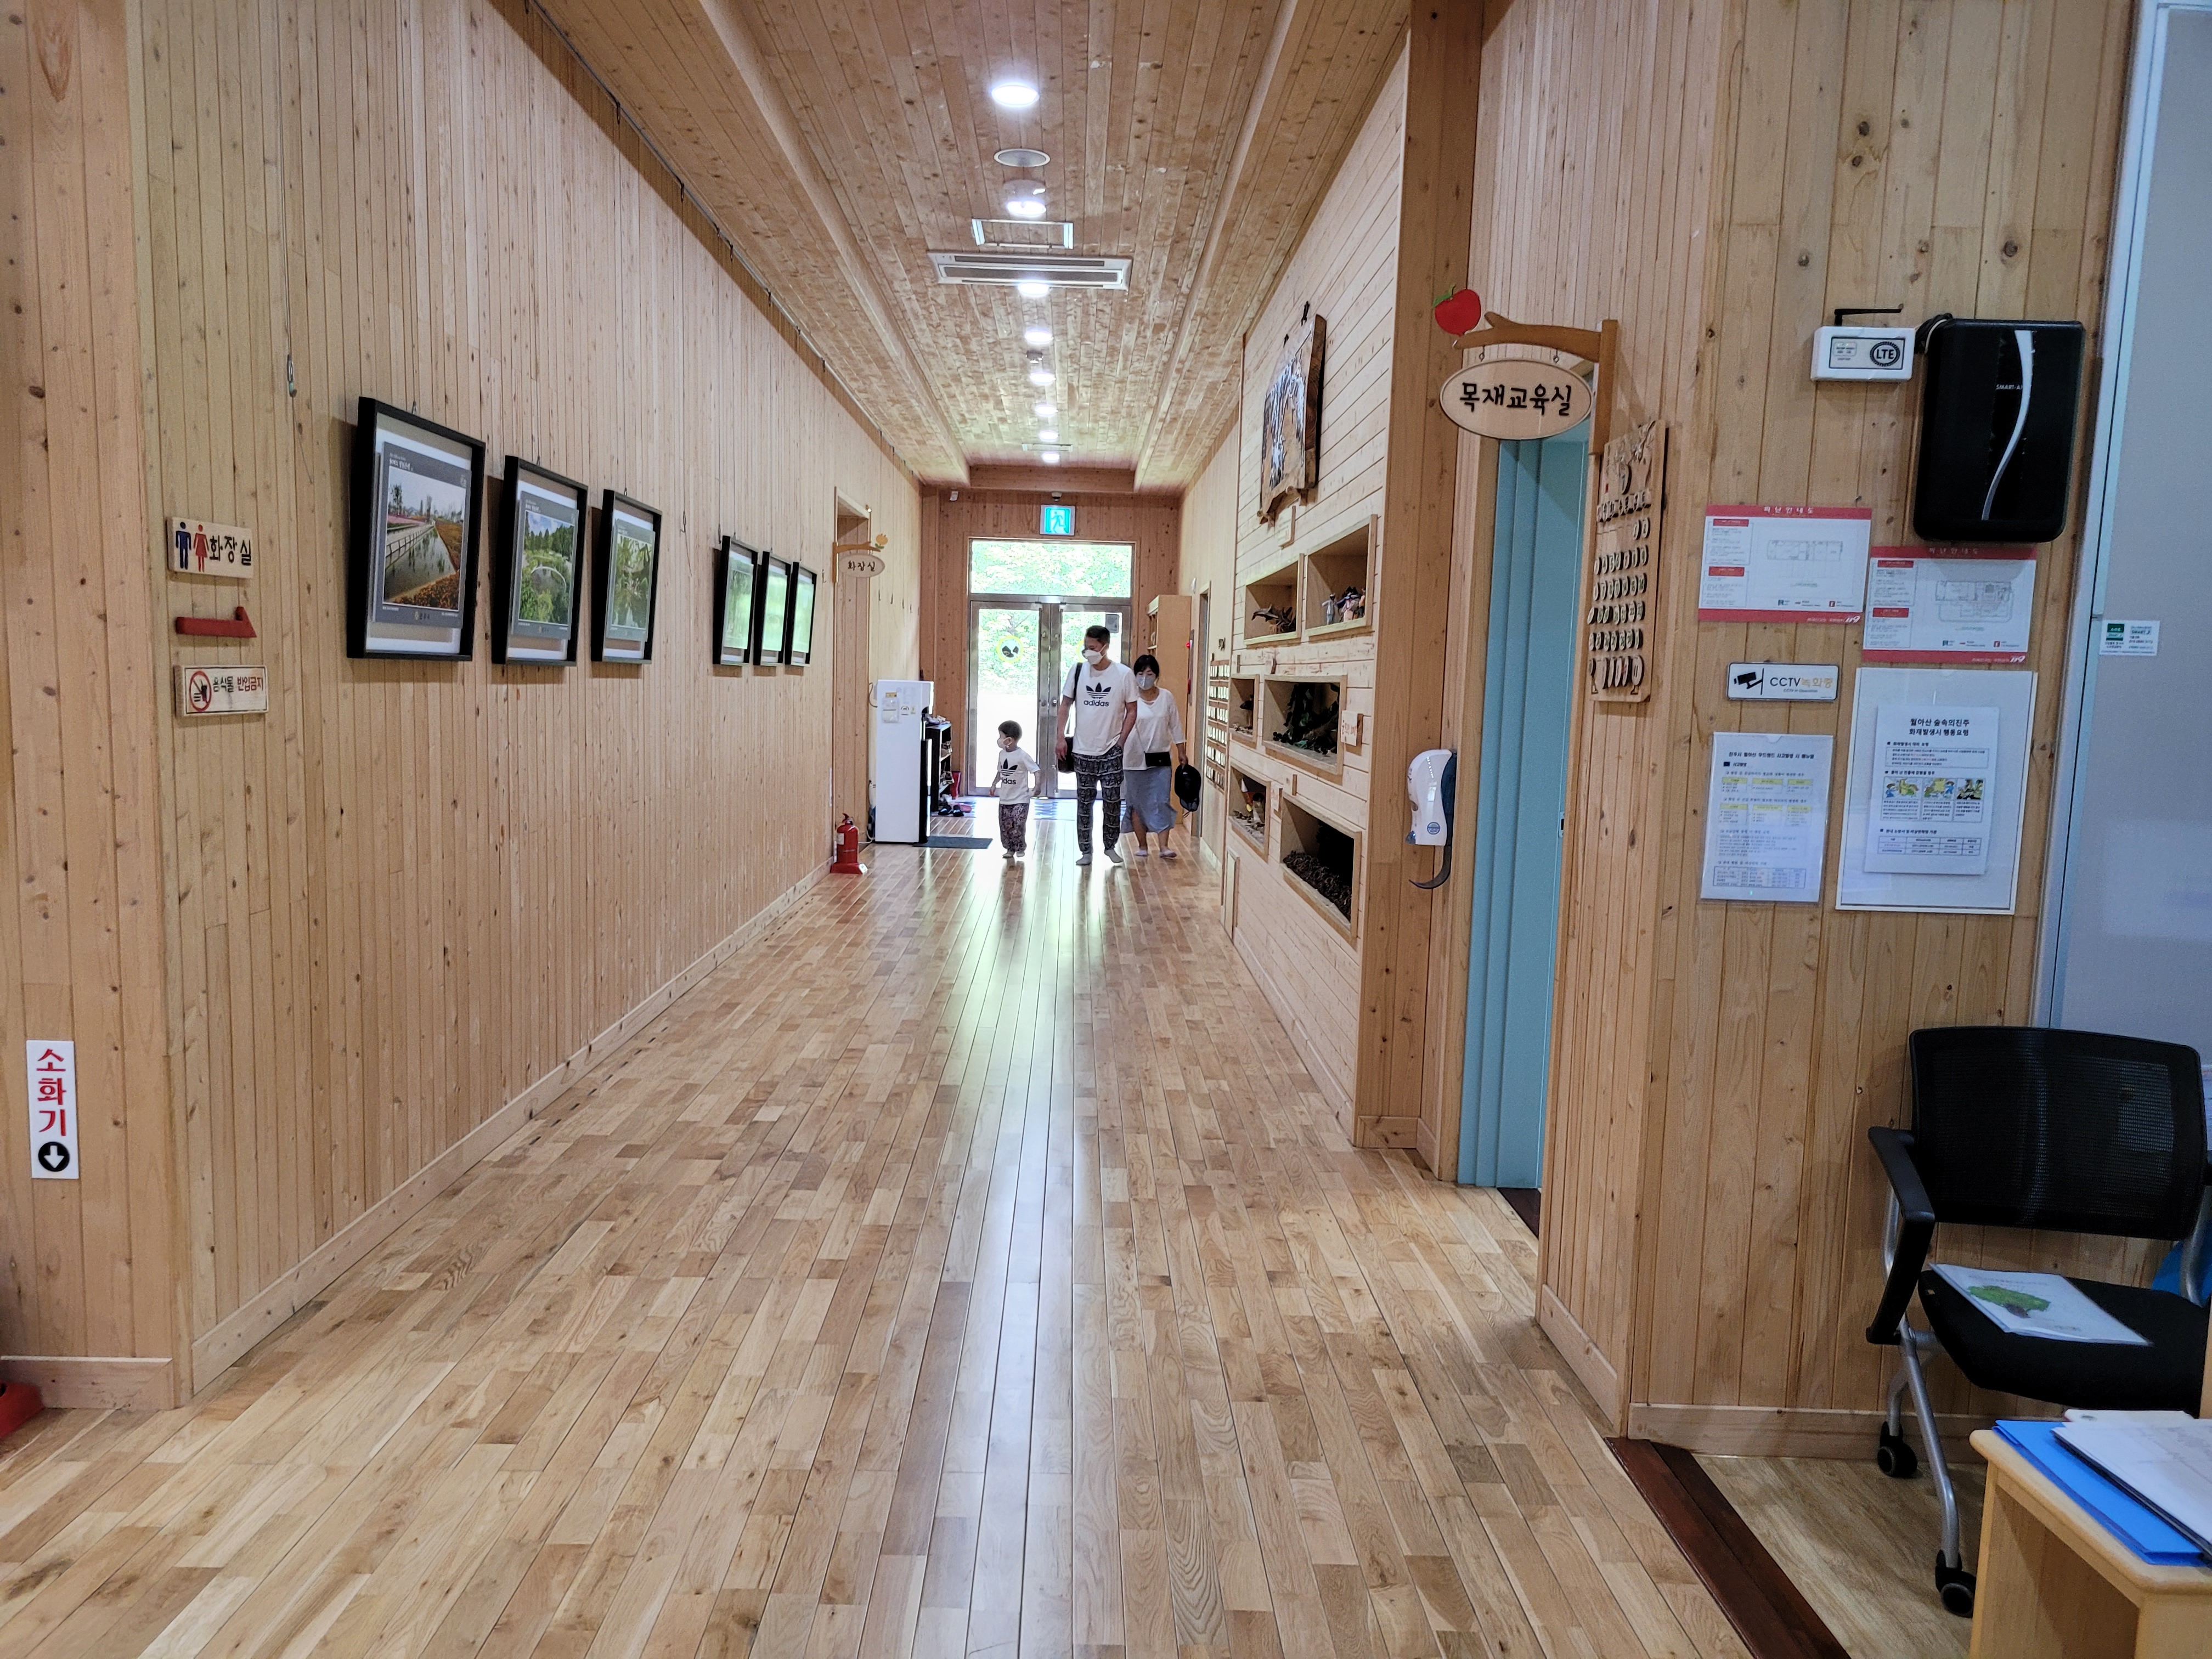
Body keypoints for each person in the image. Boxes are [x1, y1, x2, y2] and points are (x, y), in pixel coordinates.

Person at [1057, 623, 1137, 866]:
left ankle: (1110, 846)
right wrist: (1060, 737)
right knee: (1084, 803)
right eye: (1086, 647)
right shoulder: (1078, 671)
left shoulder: (1123, 674)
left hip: (1111, 749)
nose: (1088, 652)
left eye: (1092, 648)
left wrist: (1121, 741)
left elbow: (1132, 710)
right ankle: (1086, 851)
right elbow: (1065, 705)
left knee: (1112, 801)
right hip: (1082, 750)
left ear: (1105, 647)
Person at [1121, 653, 1188, 859]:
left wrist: (1182, 751)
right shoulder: (1129, 698)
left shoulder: (1166, 697)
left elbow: (1175, 725)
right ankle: (1142, 846)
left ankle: (1164, 846)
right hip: (1133, 760)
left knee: (1161, 801)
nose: (1145, 678)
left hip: (1161, 759)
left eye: (1149, 674)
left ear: (1157, 675)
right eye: (1141, 673)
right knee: (1136, 803)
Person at [990, 720, 1041, 862]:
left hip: (1021, 799)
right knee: (1005, 825)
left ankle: (1020, 847)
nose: (999, 740)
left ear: (1010, 740)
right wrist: (994, 784)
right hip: (1005, 798)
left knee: (1018, 823)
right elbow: (1001, 772)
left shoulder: (1022, 756)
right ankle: (1009, 848)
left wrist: (1037, 786)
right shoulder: (1002, 754)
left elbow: (1036, 770)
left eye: (1001, 737)